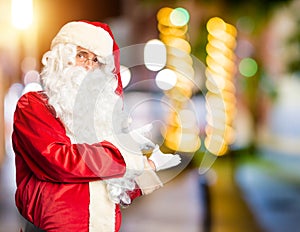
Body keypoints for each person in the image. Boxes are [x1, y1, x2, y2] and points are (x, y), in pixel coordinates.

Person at [12, 20, 181, 232]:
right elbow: (60, 162)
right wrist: (125, 156)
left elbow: (114, 189)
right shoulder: (33, 105)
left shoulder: (102, 116)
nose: (89, 66)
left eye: (97, 61)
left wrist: (147, 169)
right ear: (62, 56)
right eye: (81, 55)